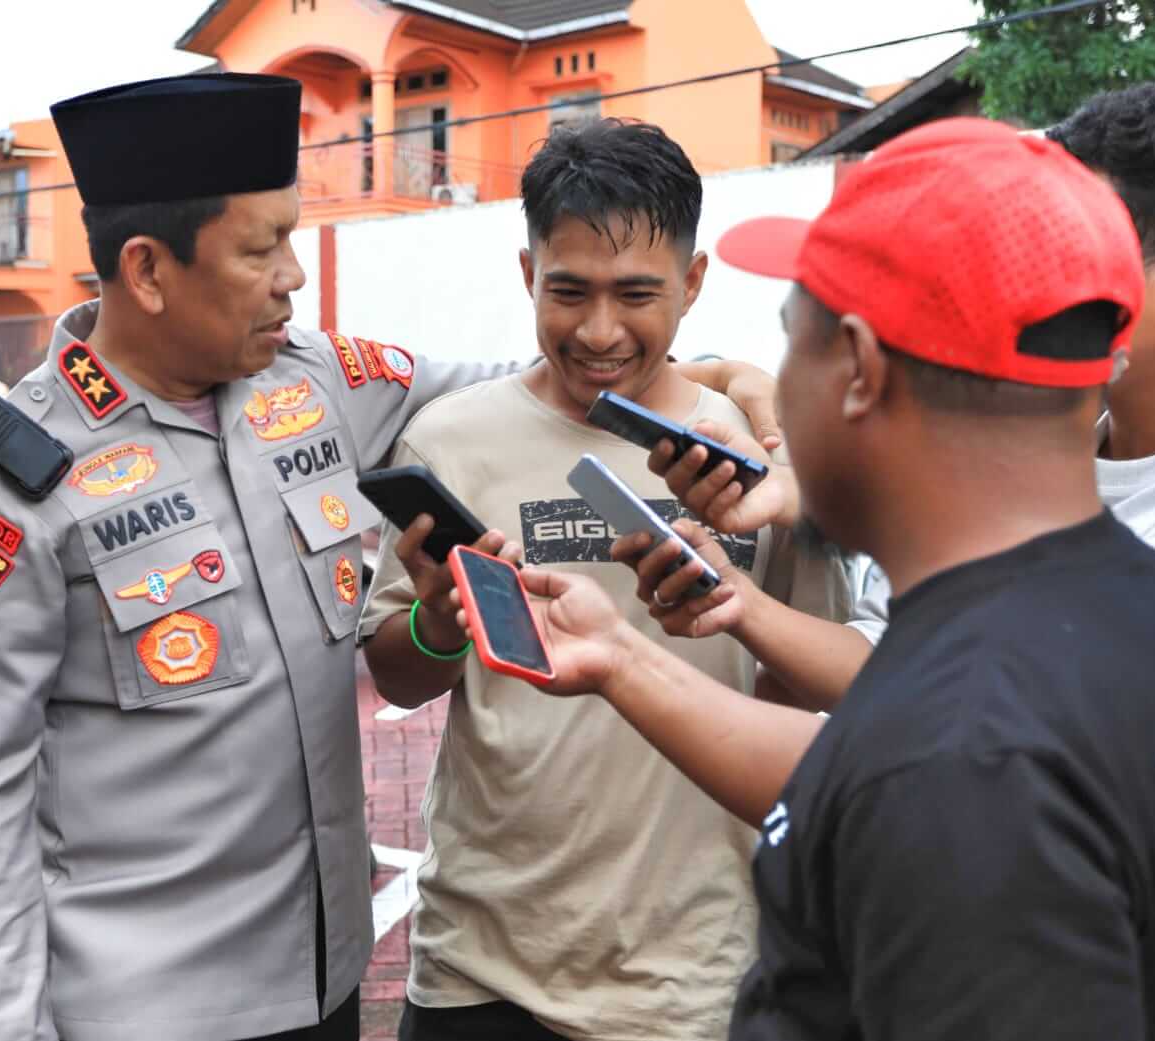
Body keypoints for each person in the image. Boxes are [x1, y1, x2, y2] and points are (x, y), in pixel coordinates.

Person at [0, 73, 781, 1041]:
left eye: (291, 236)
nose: (294, 274)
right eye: (261, 248)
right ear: (149, 271)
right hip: (134, 1007)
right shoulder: (9, 483)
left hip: (318, 985)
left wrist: (731, 375)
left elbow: (555, 376)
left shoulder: (316, 381)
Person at [480, 117, 1155, 1040]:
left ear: (857, 371)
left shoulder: (967, 766)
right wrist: (620, 659)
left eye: (790, 345)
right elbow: (869, 767)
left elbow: (935, 778)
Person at [357, 118, 849, 1041]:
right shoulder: (450, 439)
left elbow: (812, 690)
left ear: (693, 282)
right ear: (525, 273)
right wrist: (439, 617)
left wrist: (733, 611)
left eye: (636, 293)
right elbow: (399, 676)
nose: (597, 329)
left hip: (692, 973)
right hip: (480, 964)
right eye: (567, 290)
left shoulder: (763, 465)